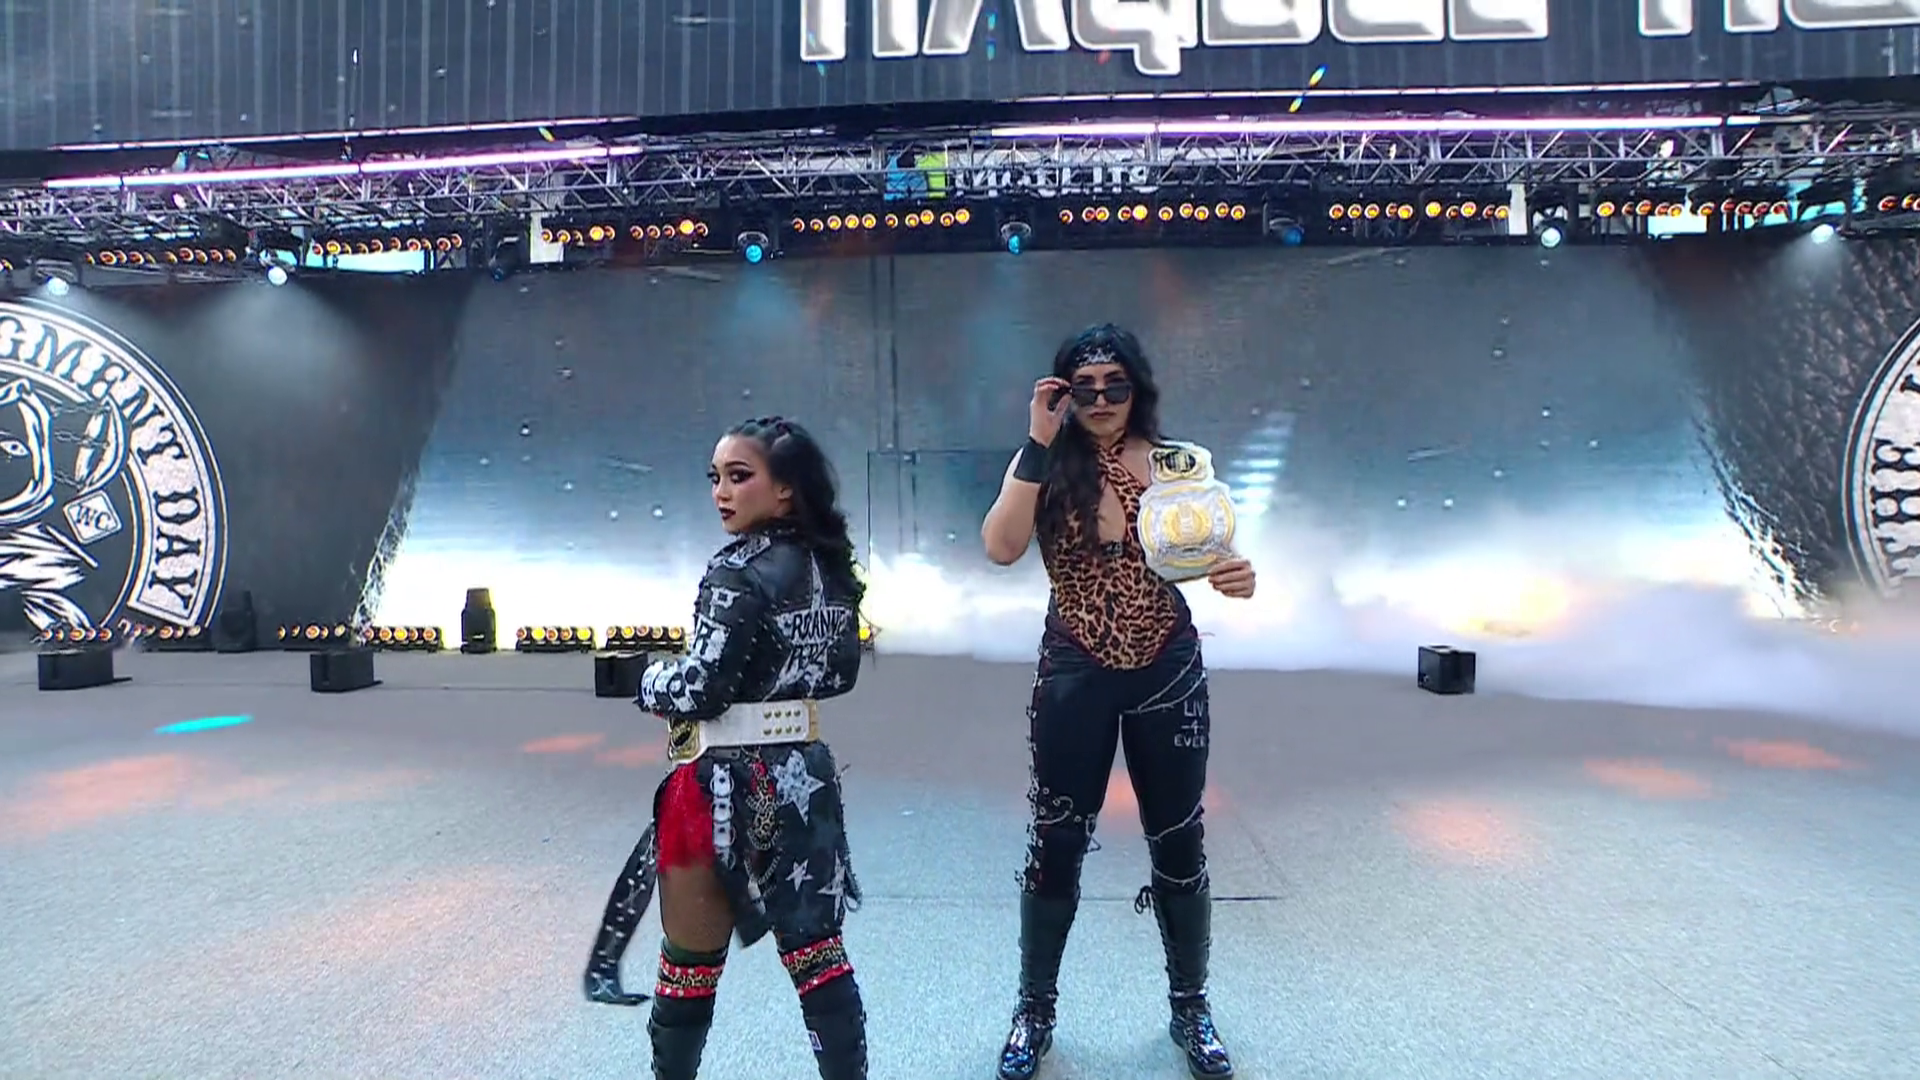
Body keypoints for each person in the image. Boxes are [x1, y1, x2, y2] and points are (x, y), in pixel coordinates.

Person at [980, 325, 1255, 1080]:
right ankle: (1033, 1012)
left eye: (1115, 385)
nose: (1101, 399)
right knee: (1056, 842)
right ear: (1063, 393)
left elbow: (1213, 552)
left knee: (1179, 843)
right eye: (1085, 387)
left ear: (1138, 388)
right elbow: (1001, 547)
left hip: (1167, 666)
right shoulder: (1042, 462)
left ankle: (1191, 1007)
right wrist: (1038, 441)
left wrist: (1237, 575)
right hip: (1076, 668)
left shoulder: (1176, 464)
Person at [581, 416, 871, 1080]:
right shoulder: (830, 567)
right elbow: (841, 676)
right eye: (715, 478)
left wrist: (646, 679)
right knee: (820, 958)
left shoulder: (735, 572)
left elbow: (700, 690)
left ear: (786, 488)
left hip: (721, 789)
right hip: (805, 780)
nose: (721, 492)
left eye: (739, 477)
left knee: (689, 964)